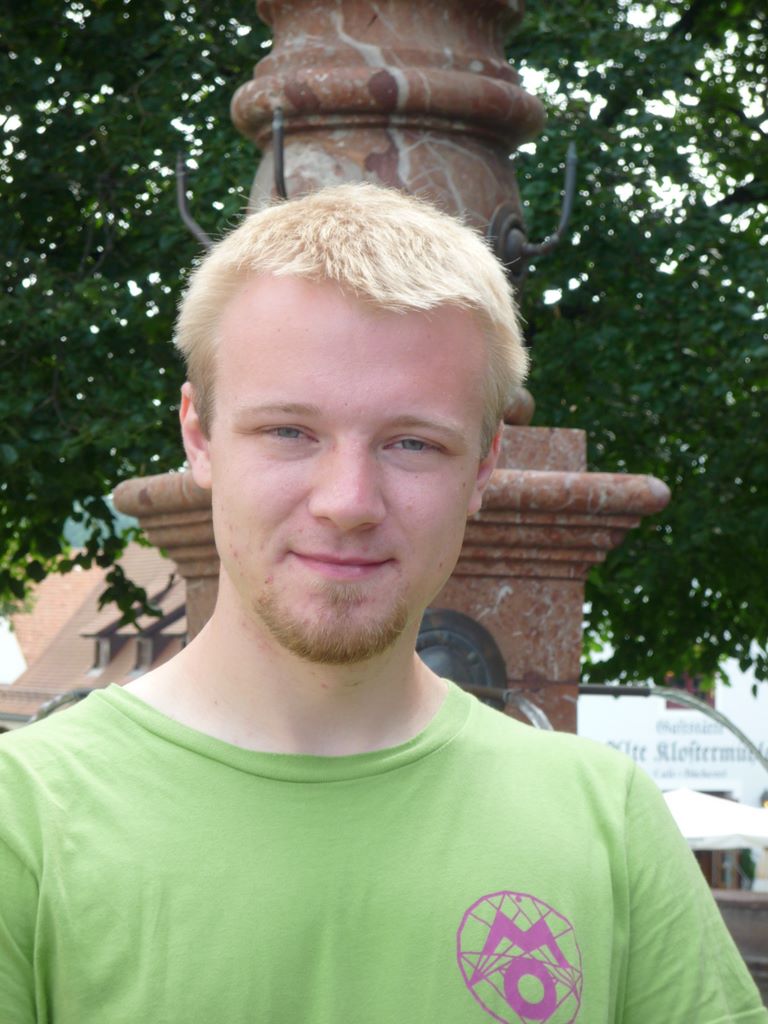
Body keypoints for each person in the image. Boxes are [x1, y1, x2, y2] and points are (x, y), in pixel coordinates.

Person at [0, 184, 764, 1024]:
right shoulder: (24, 821)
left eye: (412, 443)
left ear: (484, 466)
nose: (349, 502)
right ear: (199, 435)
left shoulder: (607, 824)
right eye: (289, 431)